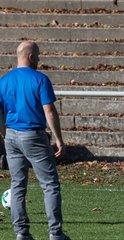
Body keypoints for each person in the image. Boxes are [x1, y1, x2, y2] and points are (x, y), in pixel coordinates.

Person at [0, 41, 71, 239]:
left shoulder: (4, 81)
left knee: (18, 185)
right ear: (31, 56)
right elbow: (49, 110)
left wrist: (4, 132)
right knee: (49, 185)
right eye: (38, 55)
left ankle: (21, 233)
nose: (39, 59)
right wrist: (59, 139)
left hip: (12, 136)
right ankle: (55, 233)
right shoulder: (40, 79)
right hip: (33, 135)